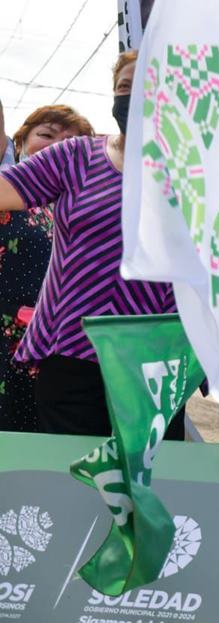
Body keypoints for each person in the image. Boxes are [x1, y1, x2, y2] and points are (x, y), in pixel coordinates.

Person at [0, 52, 181, 437]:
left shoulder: (197, 170)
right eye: (124, 87)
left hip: (156, 359)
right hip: (71, 351)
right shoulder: (76, 156)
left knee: (148, 481)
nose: (133, 95)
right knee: (72, 484)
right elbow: (6, 190)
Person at [0, 106, 94, 433]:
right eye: (46, 135)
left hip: (55, 348)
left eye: (70, 141)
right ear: (21, 141)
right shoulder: (6, 191)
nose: (58, 146)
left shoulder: (86, 210)